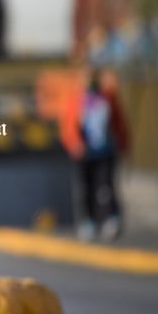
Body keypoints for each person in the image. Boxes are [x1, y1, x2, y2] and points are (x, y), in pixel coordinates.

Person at [59, 66, 130, 242]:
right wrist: (74, 143)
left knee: (106, 186)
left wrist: (124, 143)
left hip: (105, 150)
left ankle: (110, 218)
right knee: (85, 188)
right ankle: (87, 221)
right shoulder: (77, 100)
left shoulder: (107, 98)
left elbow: (118, 122)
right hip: (84, 153)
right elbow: (68, 125)